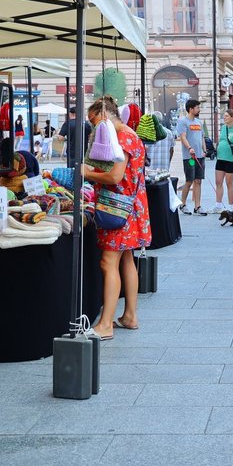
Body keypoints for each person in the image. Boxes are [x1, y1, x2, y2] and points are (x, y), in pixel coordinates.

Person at [81, 96, 151, 340]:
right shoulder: (129, 134)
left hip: (119, 209)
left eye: (93, 121)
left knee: (107, 263)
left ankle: (105, 324)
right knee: (126, 259)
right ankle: (130, 316)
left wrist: (87, 173)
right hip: (130, 207)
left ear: (104, 116)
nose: (92, 127)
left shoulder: (121, 137)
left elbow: (114, 177)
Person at [175, 99, 208, 216]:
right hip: (190, 157)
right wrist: (189, 148)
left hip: (200, 156)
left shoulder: (199, 122)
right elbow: (183, 137)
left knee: (198, 181)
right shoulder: (183, 121)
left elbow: (202, 137)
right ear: (191, 109)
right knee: (189, 181)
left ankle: (197, 206)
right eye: (197, 108)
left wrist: (204, 150)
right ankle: (183, 204)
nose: (199, 110)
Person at [213, 109, 233, 212]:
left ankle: (231, 206)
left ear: (232, 118)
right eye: (224, 116)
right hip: (220, 159)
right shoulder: (223, 128)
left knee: (229, 183)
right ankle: (218, 205)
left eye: (226, 116)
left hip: (231, 160)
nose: (224, 117)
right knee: (218, 182)